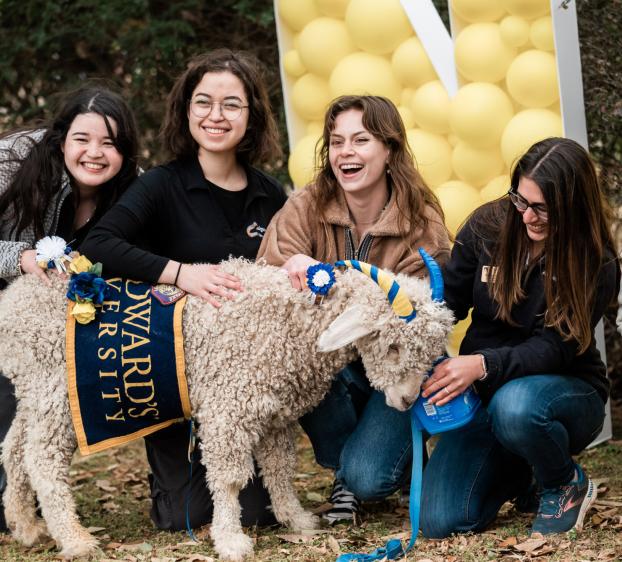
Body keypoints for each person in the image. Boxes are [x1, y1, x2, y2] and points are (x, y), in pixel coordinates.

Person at [82, 49, 286, 530]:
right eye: (203, 102)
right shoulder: (160, 185)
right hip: (173, 380)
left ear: (251, 115)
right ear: (185, 110)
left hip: (242, 387)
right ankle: (170, 475)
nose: (216, 116)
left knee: (256, 514)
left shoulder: (271, 194)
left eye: (232, 104)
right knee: (187, 517)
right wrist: (179, 272)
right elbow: (99, 244)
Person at [258, 94, 451, 523]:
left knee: (370, 479)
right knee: (295, 356)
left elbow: (416, 320)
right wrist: (290, 266)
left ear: (390, 149)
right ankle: (350, 470)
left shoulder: (421, 221)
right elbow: (266, 277)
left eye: (361, 140)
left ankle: (382, 463)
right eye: (337, 141)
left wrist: (334, 286)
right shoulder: (305, 205)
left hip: (396, 368)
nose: (346, 152)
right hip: (331, 364)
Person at [419, 137, 620, 537]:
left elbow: (554, 348)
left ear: (573, 205)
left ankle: (565, 482)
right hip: (485, 394)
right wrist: (413, 327)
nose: (528, 216)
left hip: (562, 392)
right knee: (440, 521)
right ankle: (518, 472)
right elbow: (449, 304)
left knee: (516, 407)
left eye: (543, 208)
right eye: (521, 200)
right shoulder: (486, 226)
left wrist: (482, 364)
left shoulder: (596, 259)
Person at [0, 86, 140, 531]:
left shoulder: (133, 187)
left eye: (109, 143)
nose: (94, 153)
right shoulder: (14, 160)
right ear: (62, 140)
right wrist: (18, 257)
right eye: (83, 139)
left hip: (49, 325)